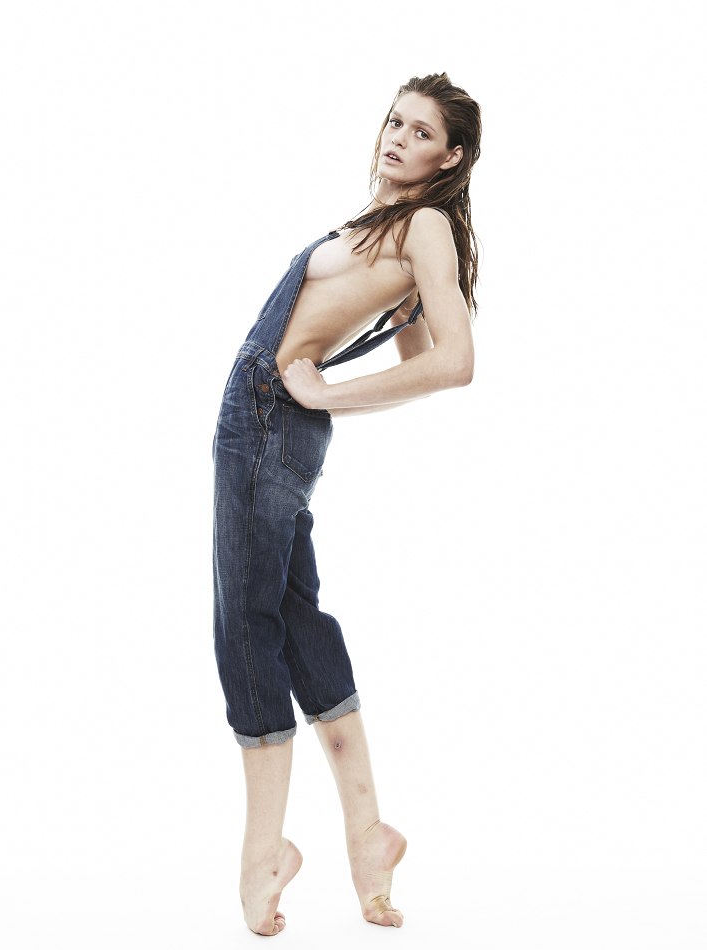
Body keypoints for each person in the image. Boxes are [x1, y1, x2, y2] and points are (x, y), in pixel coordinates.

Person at [211, 71, 482, 935]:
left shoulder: (425, 225)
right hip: (276, 420)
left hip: (267, 416)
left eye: (421, 131)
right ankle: (368, 838)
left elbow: (454, 362)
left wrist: (326, 394)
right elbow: (414, 354)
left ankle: (264, 853)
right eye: (395, 121)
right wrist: (327, 396)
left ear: (452, 157)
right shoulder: (390, 224)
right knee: (295, 619)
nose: (398, 137)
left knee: (245, 626)